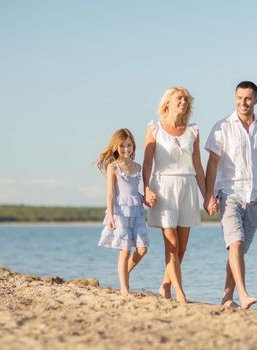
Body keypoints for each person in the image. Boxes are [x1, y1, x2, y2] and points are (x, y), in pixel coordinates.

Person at [204, 81, 257, 309]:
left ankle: (227, 297)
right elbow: (212, 164)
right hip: (229, 193)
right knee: (235, 243)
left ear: (256, 100)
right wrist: (209, 195)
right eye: (239, 98)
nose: (243, 102)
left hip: (254, 197)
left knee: (238, 249)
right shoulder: (222, 127)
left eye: (247, 98)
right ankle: (243, 295)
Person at [143, 86, 206, 302]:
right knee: (171, 243)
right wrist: (146, 188)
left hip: (187, 187)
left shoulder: (193, 131)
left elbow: (198, 166)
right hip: (164, 187)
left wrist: (207, 196)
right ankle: (180, 293)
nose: (184, 102)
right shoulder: (154, 129)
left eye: (187, 99)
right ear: (168, 102)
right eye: (180, 98)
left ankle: (165, 284)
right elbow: (148, 162)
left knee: (182, 246)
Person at [96, 128, 149, 296]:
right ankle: (125, 289)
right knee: (125, 250)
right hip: (120, 212)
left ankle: (123, 273)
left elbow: (134, 191)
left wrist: (145, 197)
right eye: (122, 146)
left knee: (142, 249)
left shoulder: (138, 167)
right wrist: (110, 216)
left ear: (133, 145)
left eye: (129, 145)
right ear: (116, 148)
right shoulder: (113, 167)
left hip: (137, 211)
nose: (126, 149)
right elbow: (111, 194)